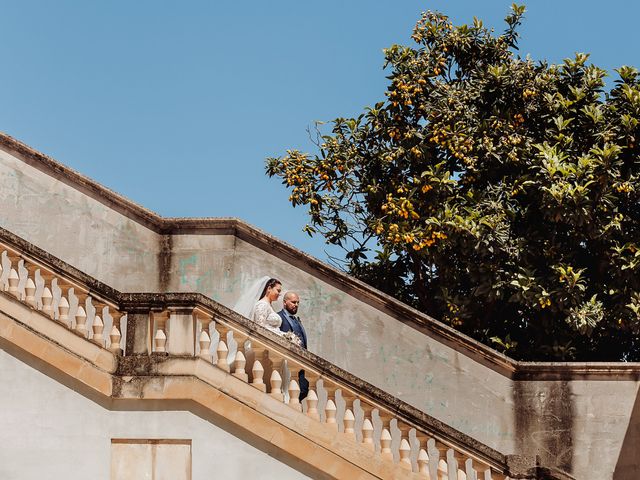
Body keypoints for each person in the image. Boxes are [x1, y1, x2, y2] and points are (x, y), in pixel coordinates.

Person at [278, 291, 309, 400]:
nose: (296, 305)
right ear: (285, 302)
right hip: (287, 363)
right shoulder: (279, 317)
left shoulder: (297, 320)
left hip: (301, 363)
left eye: (298, 303)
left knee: (304, 388)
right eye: (293, 302)